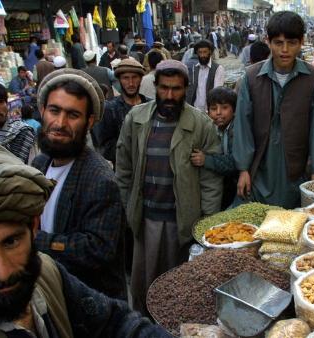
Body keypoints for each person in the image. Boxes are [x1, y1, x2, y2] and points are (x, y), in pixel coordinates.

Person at [0, 144, 170, 337]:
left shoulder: (46, 271)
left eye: (11, 243)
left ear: (34, 227)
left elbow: (116, 322)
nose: (2, 271)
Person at [115, 59, 222, 314]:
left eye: (176, 89)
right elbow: (124, 167)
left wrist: (206, 223)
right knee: (145, 285)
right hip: (146, 219)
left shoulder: (201, 124)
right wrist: (127, 208)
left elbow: (210, 180)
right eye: (164, 88)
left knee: (179, 288)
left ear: (186, 89)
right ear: (155, 87)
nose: (170, 95)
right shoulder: (136, 118)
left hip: (182, 221)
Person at [31, 69, 127, 300]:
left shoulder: (100, 179)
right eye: (54, 111)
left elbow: (98, 249)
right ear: (43, 111)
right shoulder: (40, 163)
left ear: (89, 121)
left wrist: (36, 240)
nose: (60, 123)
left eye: (73, 115)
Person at [233, 11, 314, 209]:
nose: (284, 50)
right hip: (260, 166)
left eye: (291, 43)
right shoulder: (252, 77)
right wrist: (243, 169)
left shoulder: (311, 77)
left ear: (301, 42)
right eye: (278, 43)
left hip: (296, 165)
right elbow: (243, 124)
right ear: (268, 42)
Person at [191, 87, 238, 209]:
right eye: (213, 108)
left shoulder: (236, 130)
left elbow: (234, 163)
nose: (218, 112)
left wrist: (206, 160)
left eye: (224, 108)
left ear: (234, 110)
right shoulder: (211, 128)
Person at [96, 59, 148, 164]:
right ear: (119, 80)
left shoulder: (151, 106)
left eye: (134, 77)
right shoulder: (109, 109)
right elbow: (106, 148)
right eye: (126, 78)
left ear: (141, 79)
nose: (131, 83)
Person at [186, 40, 225, 112]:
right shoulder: (194, 68)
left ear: (210, 52)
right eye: (200, 52)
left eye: (205, 52)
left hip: (209, 111)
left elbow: (217, 92)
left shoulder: (218, 69)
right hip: (195, 110)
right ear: (197, 53)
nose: (202, 55)